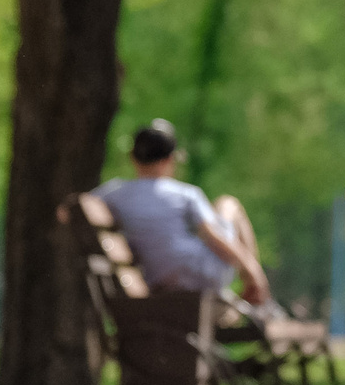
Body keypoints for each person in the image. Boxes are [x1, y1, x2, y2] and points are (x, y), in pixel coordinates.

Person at [90, 120, 271, 304]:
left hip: (153, 278)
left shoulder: (114, 192)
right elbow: (215, 239)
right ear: (170, 159)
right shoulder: (185, 194)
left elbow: (71, 209)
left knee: (222, 209)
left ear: (133, 157)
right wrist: (253, 270)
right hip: (202, 275)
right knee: (228, 205)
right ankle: (254, 292)